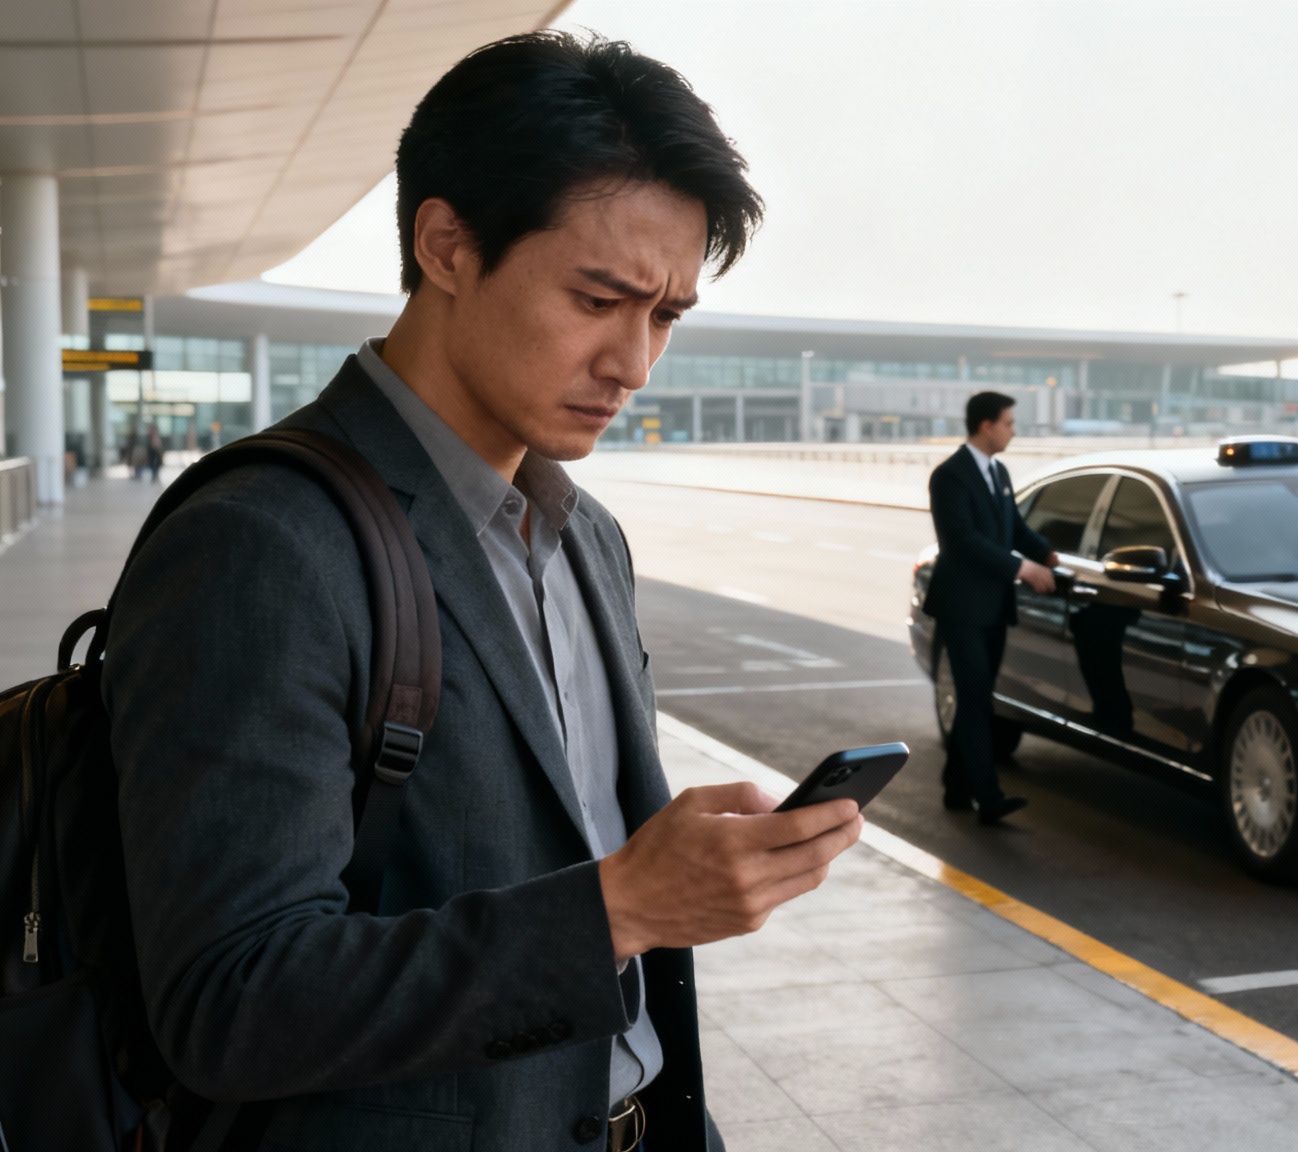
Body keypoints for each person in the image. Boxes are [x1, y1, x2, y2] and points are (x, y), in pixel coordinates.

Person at [102, 32, 862, 1152]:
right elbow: (229, 1002)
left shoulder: (586, 537)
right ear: (446, 244)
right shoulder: (260, 545)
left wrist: (663, 881)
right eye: (598, 298)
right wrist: (623, 906)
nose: (635, 363)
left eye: (664, 316)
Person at [922, 391, 1057, 825]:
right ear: (986, 425)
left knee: (976, 697)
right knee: (978, 699)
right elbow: (962, 542)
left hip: (994, 606)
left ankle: (956, 788)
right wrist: (1024, 568)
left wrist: (1049, 555)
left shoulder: (998, 471)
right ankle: (988, 796)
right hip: (962, 607)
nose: (1013, 431)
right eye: (1009, 423)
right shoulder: (950, 476)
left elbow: (1012, 527)